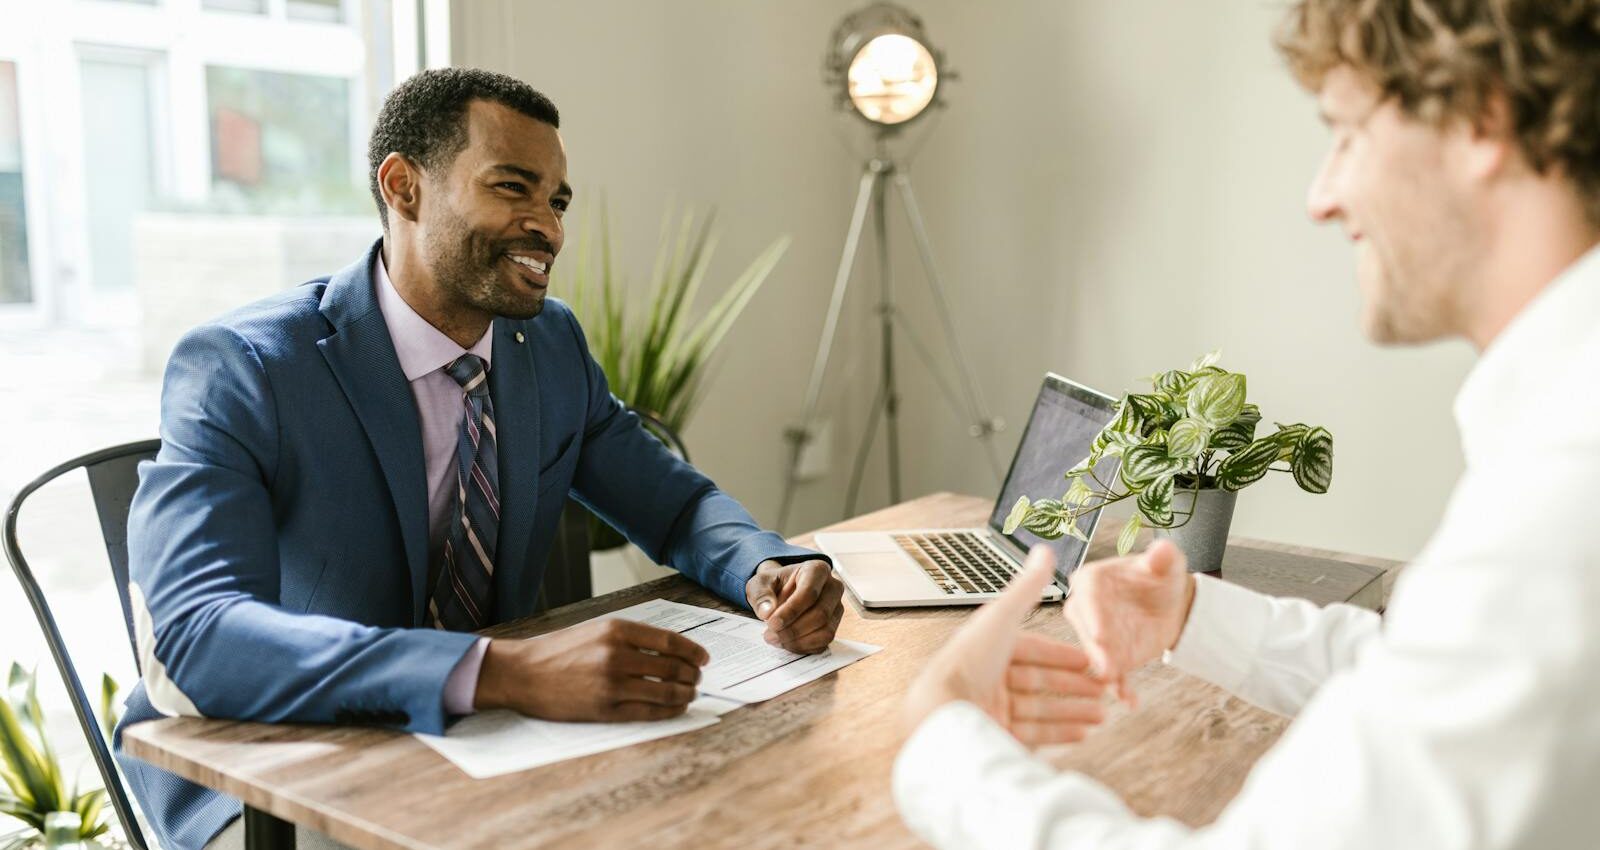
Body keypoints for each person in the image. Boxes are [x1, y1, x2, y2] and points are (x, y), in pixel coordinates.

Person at [897, 0, 1600, 846]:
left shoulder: (1565, 492)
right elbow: (1444, 682)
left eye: (1345, 133)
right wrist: (1193, 617)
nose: (1321, 196)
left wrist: (938, 739)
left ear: (1482, 116)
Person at [113, 67, 845, 850]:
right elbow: (197, 635)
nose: (549, 227)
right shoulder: (245, 368)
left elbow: (673, 503)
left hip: (491, 743)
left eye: (557, 201)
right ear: (404, 187)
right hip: (277, 764)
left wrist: (764, 568)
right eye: (513, 188)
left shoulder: (549, 344)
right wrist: (501, 670)